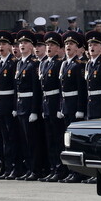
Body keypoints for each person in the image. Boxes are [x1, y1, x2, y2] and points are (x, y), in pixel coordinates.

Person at [14, 29, 44, 181]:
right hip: (21, 105)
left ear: (32, 46)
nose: (22, 45)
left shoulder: (34, 64)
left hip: (29, 105)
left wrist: (34, 110)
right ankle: (29, 168)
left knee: (32, 140)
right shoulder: (19, 63)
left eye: (25, 43)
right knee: (24, 141)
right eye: (20, 43)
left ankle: (36, 169)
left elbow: (36, 89)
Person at [39, 31, 65, 182]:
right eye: (47, 45)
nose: (49, 47)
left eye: (52, 45)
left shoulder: (59, 64)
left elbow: (61, 88)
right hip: (46, 104)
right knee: (50, 139)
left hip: (55, 103)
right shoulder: (43, 63)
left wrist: (60, 107)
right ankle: (53, 167)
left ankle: (60, 168)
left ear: (58, 49)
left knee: (58, 138)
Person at [0, 30, 19, 180]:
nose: (0, 46)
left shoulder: (13, 63)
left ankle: (14, 167)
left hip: (10, 105)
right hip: (1, 105)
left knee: (12, 138)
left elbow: (15, 88)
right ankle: (6, 167)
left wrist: (15, 107)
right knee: (4, 138)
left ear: (9, 46)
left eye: (3, 44)